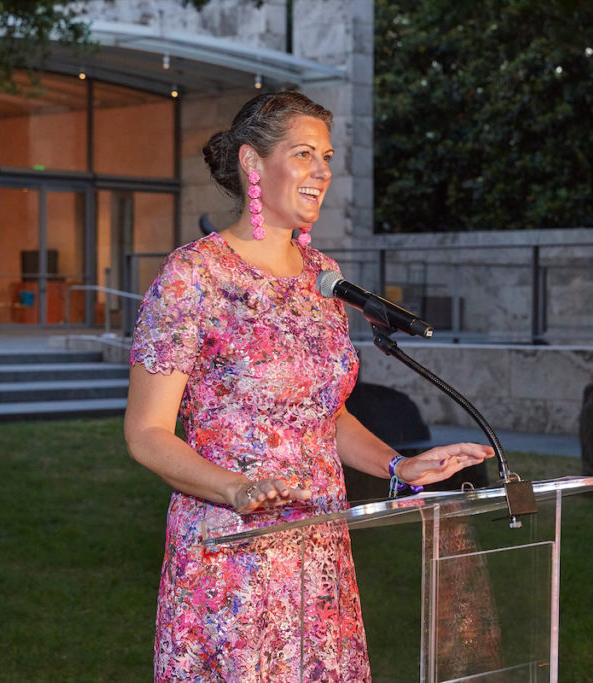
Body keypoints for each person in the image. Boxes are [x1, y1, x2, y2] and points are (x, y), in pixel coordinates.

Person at [123, 90, 494, 682]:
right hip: (230, 557)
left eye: (326, 156)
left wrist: (400, 465)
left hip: (319, 548)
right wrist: (236, 488)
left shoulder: (324, 280)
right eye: (303, 154)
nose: (322, 171)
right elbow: (146, 433)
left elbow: (326, 416)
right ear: (252, 163)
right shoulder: (194, 277)